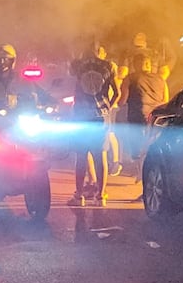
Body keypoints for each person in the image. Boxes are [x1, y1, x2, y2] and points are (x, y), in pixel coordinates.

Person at [66, 51, 119, 207]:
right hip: (100, 117)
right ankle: (101, 196)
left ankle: (79, 196)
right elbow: (117, 92)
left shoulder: (77, 65)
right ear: (100, 51)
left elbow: (70, 80)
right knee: (100, 155)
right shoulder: (109, 66)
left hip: (81, 116)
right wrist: (107, 107)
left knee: (81, 156)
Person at [118, 54, 167, 184]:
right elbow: (166, 100)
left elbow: (122, 100)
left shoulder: (130, 78)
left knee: (139, 150)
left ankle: (144, 180)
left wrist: (114, 105)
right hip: (157, 118)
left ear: (135, 64)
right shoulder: (161, 79)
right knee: (152, 149)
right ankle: (151, 182)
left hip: (138, 117)